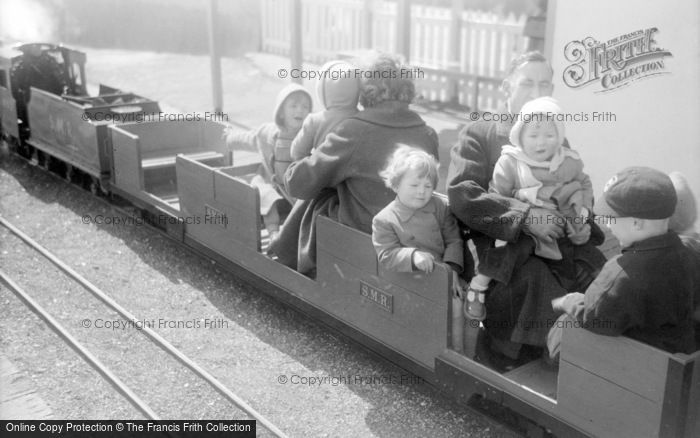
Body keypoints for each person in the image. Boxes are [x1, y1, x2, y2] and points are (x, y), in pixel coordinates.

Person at [446, 51, 606, 365]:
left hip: (554, 240)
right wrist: (527, 215)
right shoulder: (481, 132)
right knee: (533, 278)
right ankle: (511, 361)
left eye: (544, 85)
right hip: (497, 246)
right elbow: (462, 194)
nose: (537, 93)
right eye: (527, 84)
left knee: (595, 268)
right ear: (507, 88)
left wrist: (581, 222)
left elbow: (574, 185)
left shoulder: (553, 138)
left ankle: (594, 359)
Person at [271, 53, 440, 276]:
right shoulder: (428, 133)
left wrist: (299, 159)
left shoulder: (354, 131)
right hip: (411, 227)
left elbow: (297, 184)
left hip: (365, 230)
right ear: (408, 89)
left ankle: (287, 257)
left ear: (366, 90)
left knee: (320, 194)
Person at [465, 97, 593, 320]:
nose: (541, 143)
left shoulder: (568, 161)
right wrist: (522, 215)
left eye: (549, 135)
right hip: (522, 226)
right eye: (533, 136)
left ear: (560, 137)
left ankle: (566, 307)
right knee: (511, 252)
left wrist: (582, 215)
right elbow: (497, 198)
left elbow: (584, 183)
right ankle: (479, 284)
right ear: (520, 137)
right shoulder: (511, 162)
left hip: (560, 222)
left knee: (579, 256)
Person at [548, 167, 698, 356]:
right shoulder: (687, 252)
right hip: (676, 352)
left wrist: (569, 301)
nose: (608, 225)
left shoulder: (622, 272)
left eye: (611, 218)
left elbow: (594, 317)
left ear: (637, 223)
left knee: (563, 327)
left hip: (636, 364)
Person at [225, 84, 312, 239]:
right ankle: (273, 232)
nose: (300, 110)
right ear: (281, 113)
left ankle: (302, 234)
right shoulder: (268, 133)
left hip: (295, 188)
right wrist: (230, 138)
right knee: (263, 192)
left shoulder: (308, 136)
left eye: (305, 107)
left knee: (309, 203)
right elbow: (250, 139)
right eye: (294, 106)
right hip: (271, 183)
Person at [372, 146, 464, 289]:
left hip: (442, 272)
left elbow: (453, 240)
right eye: (414, 185)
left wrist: (452, 270)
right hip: (409, 279)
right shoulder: (384, 219)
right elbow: (387, 254)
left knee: (457, 304)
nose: (421, 191)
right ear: (396, 186)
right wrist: (413, 256)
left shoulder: (440, 207)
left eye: (428, 186)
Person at [290, 60, 360, 161]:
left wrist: (313, 162)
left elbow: (297, 152)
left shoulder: (314, 121)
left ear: (322, 91)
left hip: (323, 173)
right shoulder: (363, 119)